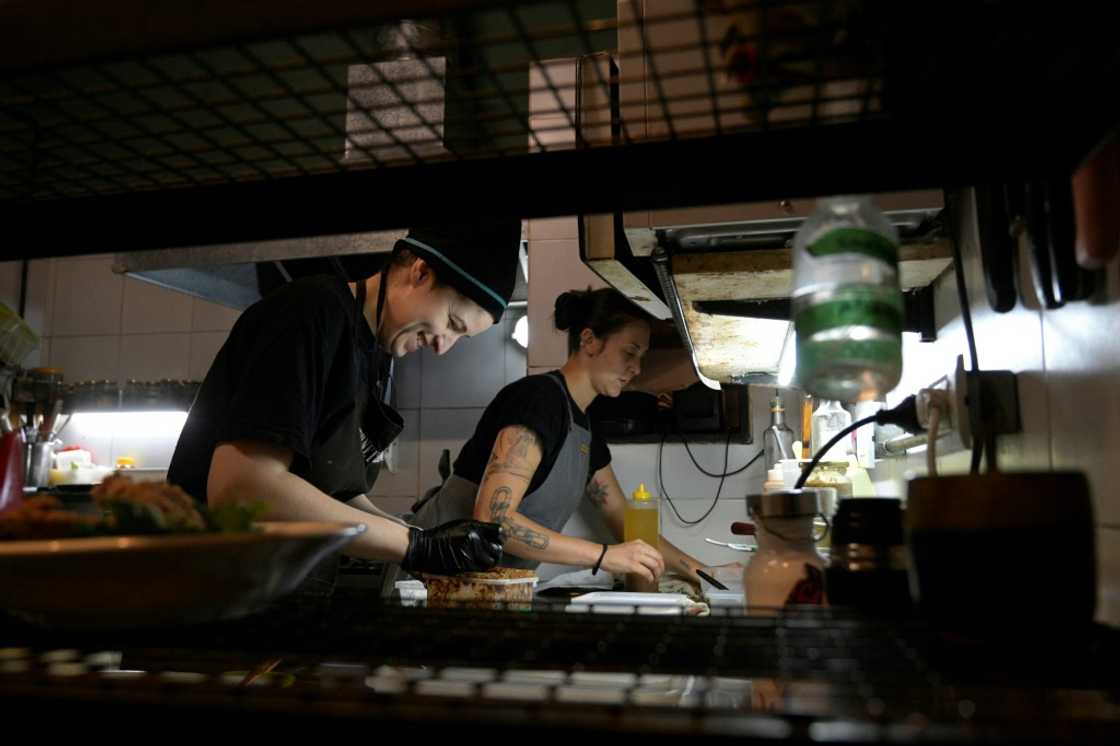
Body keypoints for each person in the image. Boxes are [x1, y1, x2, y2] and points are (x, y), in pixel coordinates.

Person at [168, 222, 523, 576]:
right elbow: (242, 489)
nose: (443, 346)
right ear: (420, 272)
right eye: (452, 322)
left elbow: (335, 494)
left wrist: (425, 540)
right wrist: (413, 546)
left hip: (277, 587)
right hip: (212, 586)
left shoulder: (373, 354)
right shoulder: (310, 312)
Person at [414, 287, 713, 586]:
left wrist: (704, 573)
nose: (636, 368)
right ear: (589, 341)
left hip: (486, 589)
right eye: (630, 352)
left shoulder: (584, 428)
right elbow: (493, 519)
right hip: (428, 579)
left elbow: (623, 519)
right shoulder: (538, 399)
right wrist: (603, 555)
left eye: (641, 357)